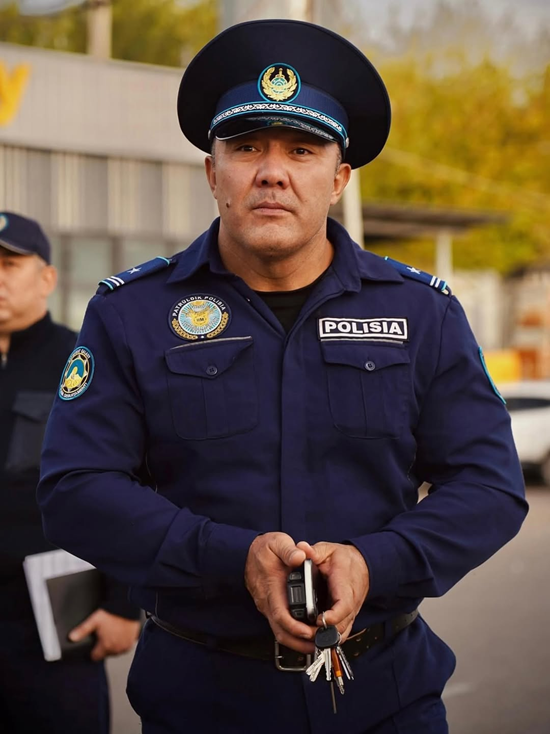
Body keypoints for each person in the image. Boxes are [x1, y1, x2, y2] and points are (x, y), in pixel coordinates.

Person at [38, 19, 527, 734]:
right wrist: (231, 557)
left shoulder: (420, 312)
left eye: (301, 150)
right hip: (201, 701)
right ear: (213, 174)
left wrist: (376, 563)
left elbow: (488, 486)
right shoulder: (131, 313)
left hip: (384, 697)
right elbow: (75, 489)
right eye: (246, 148)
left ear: (339, 179)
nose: (272, 172)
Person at [0, 211, 141, 734]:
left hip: (56, 619)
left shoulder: (82, 360)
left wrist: (124, 604)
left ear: (47, 278)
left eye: (9, 265)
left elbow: (129, 484)